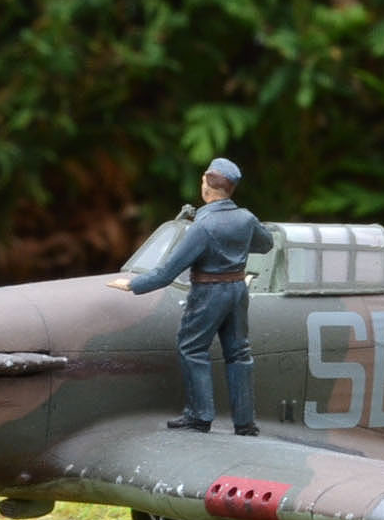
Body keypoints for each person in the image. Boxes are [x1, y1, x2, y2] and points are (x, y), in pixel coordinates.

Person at [108, 157, 274, 435]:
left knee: (193, 348)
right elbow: (266, 243)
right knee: (239, 353)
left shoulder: (203, 227)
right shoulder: (245, 218)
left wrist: (134, 284)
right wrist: (234, 248)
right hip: (237, 290)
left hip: (209, 293)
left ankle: (199, 415)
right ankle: (245, 423)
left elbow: (166, 273)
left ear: (207, 185)